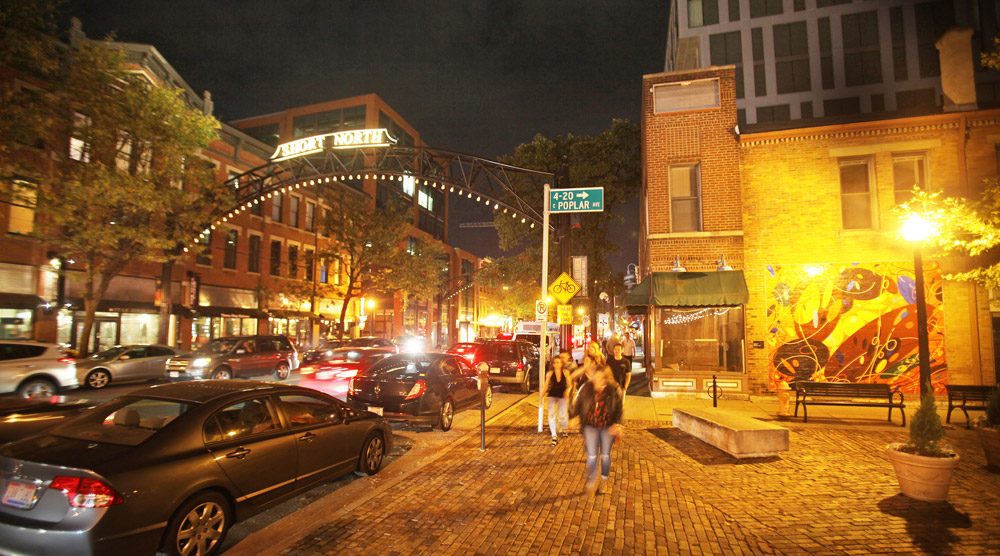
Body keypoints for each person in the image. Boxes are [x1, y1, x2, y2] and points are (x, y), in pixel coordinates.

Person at [574, 365, 623, 496]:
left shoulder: (613, 389)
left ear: (607, 378)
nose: (598, 380)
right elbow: (578, 404)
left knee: (605, 455)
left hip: (607, 426)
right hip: (590, 425)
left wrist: (617, 424)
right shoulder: (587, 388)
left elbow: (618, 409)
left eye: (602, 378)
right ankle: (591, 479)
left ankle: (604, 480)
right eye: (596, 377)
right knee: (592, 455)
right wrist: (571, 416)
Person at [544, 355, 571, 446]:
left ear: (561, 363)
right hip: (552, 395)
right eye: (554, 363)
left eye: (558, 362)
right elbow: (546, 385)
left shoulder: (566, 372)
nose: (556, 364)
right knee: (551, 414)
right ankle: (554, 436)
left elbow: (569, 385)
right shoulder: (550, 374)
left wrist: (567, 391)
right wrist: (542, 395)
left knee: (563, 415)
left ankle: (564, 429)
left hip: (562, 395)